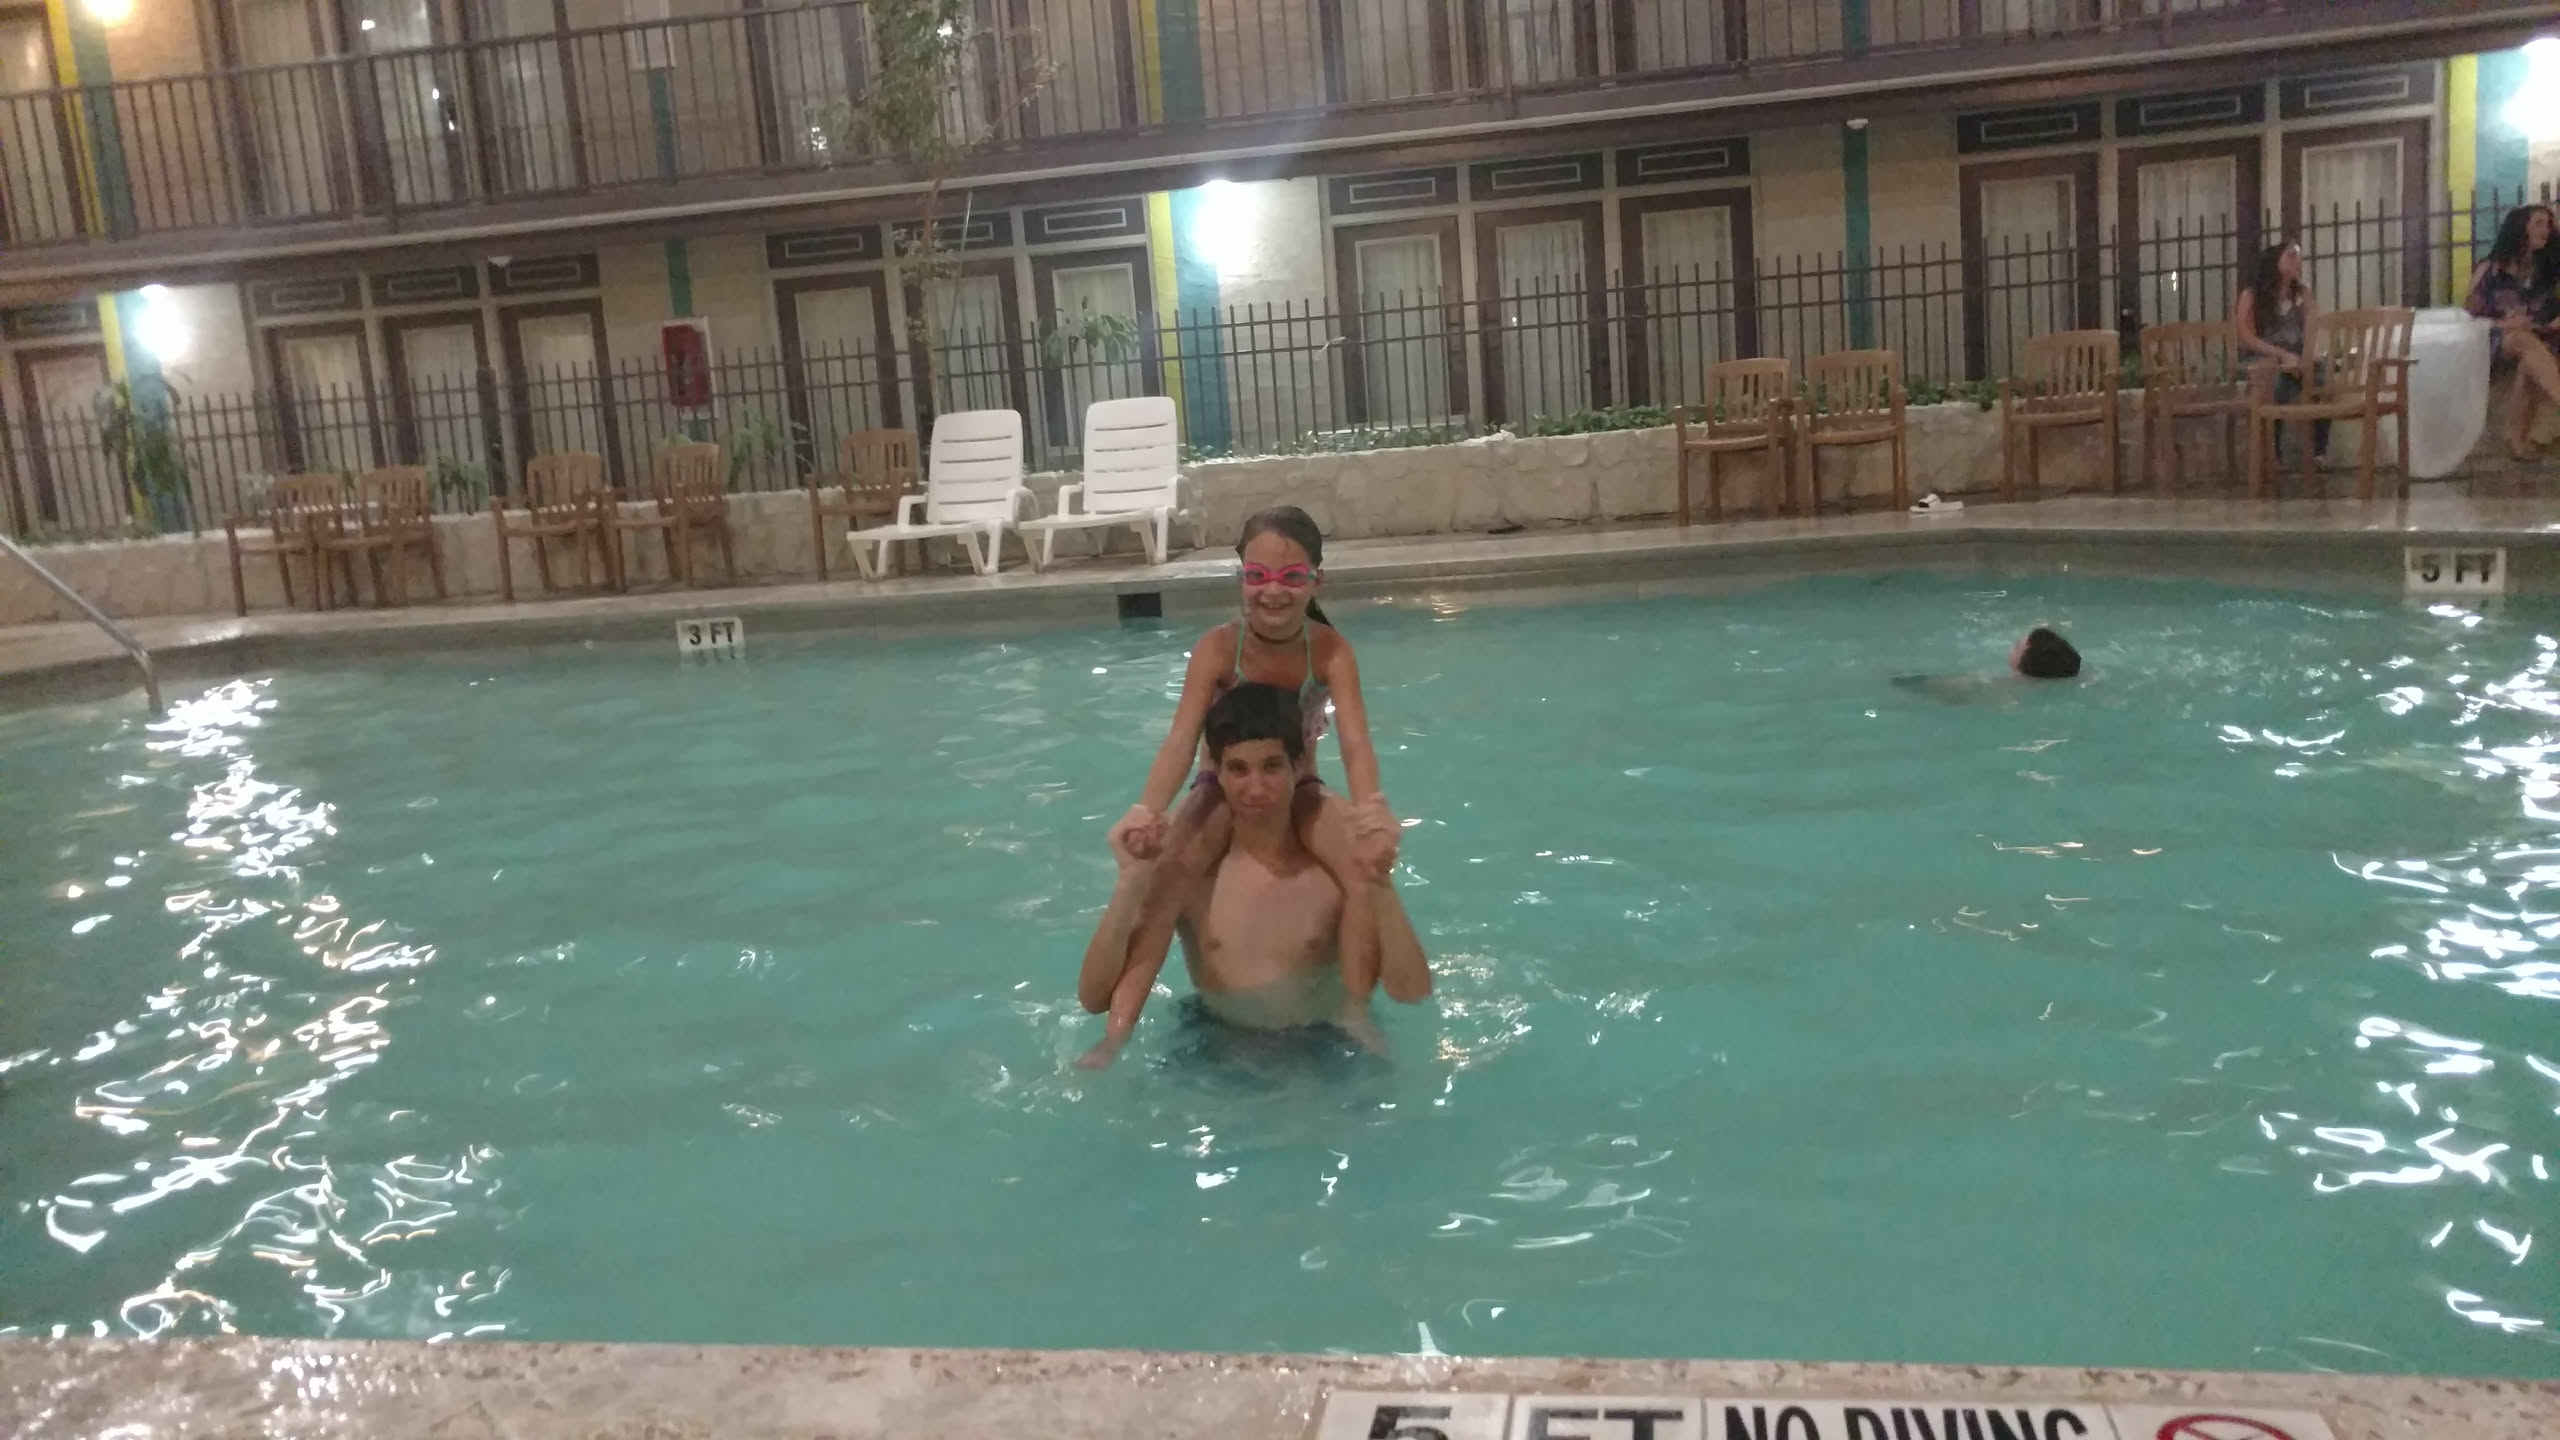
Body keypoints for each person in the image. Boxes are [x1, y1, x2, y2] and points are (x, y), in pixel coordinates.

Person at [1107, 505, 1413, 1037]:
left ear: (1316, 581)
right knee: (1167, 877)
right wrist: (1148, 810)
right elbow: (1181, 740)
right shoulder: (1219, 648)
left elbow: (1356, 743)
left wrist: (1369, 811)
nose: (1273, 591)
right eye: (1258, 575)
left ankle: (1355, 1010)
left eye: (1292, 577)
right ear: (1241, 578)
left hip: (1300, 785)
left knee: (1363, 873)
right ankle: (1117, 1029)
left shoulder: (1330, 651)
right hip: (1219, 787)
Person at [1077, 683, 1430, 1069]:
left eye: (1271, 766)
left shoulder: (1332, 875)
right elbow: (1095, 998)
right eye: (1239, 769)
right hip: (1219, 1042)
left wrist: (1380, 884)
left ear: (1299, 766)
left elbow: (1412, 991)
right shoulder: (1192, 880)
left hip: (1322, 1044)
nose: (1255, 788)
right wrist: (1130, 880)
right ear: (1218, 773)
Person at [2463, 203, 2560, 461]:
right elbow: (2467, 319)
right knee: (2521, 340)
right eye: (2538, 223)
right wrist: (2503, 325)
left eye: (2549, 225)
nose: (2546, 230)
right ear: (2520, 228)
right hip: (2493, 339)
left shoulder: (2544, 271)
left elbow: (2542, 316)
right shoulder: (2489, 270)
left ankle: (2518, 442)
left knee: (2530, 359)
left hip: (2535, 337)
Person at [2235, 240, 2329, 467]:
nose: (2298, 262)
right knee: (2276, 383)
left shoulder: (2303, 293)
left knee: (2321, 377)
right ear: (2275, 260)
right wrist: (2280, 356)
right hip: (2263, 356)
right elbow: (2246, 337)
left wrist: (2308, 355)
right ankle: (2273, 452)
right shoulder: (2251, 295)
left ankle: (2319, 452)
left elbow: (2312, 328)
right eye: (2291, 255)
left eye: (2299, 256)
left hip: (2296, 356)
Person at [1893, 626, 2081, 701]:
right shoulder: (2073, 678)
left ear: (2025, 662)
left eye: (2017, 646)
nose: (2012, 648)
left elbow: (1938, 687)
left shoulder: (1994, 686)